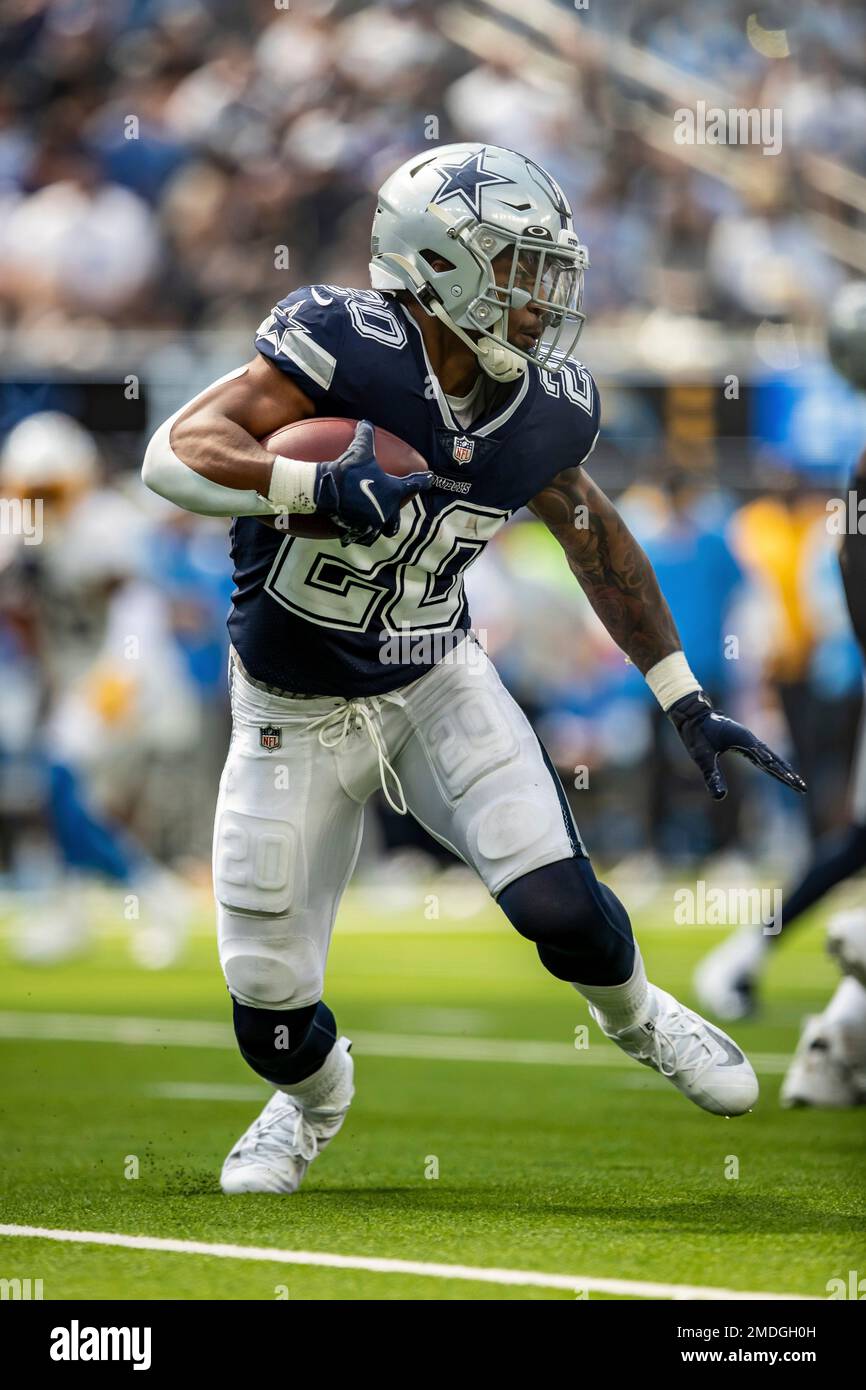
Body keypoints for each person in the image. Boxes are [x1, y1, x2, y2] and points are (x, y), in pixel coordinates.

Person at [142, 144, 805, 1196]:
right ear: (437, 263)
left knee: (560, 910)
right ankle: (309, 1102)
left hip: (434, 679)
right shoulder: (343, 343)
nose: (543, 297)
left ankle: (637, 1014)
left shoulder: (541, 405)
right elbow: (174, 452)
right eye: (517, 265)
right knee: (268, 1011)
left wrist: (682, 695)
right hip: (291, 706)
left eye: (549, 268)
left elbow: (593, 535)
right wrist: (304, 483)